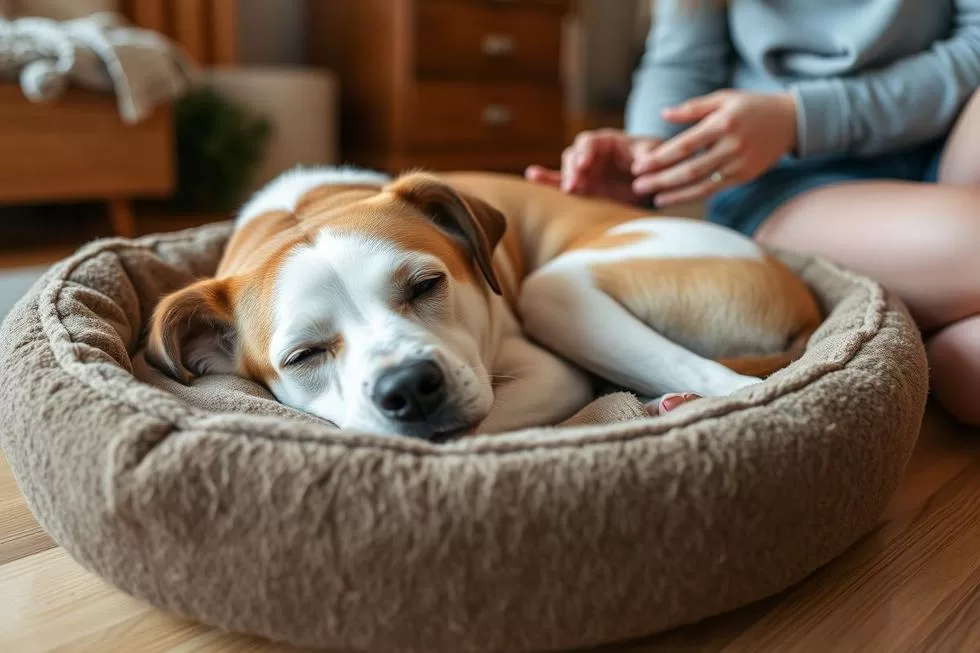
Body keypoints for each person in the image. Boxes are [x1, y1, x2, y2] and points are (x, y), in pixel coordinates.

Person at [526, 0, 980, 424]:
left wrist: (801, 117)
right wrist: (647, 151)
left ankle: (927, 338)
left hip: (950, 148)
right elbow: (681, 59)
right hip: (785, 180)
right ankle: (942, 337)